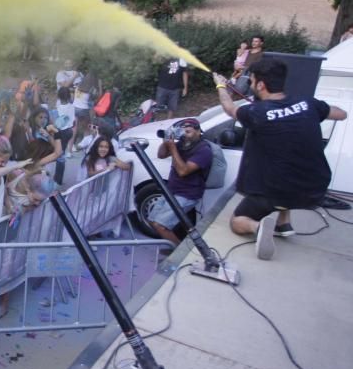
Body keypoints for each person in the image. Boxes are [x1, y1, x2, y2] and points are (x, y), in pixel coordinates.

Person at [213, 62, 347, 259]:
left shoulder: (257, 113)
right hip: (314, 188)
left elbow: (229, 108)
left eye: (251, 81)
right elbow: (341, 114)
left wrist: (221, 86)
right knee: (289, 168)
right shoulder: (307, 104)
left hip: (276, 192)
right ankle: (283, 224)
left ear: (260, 85)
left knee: (237, 221)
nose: (250, 85)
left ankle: (258, 228)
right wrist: (315, 111)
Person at [146, 118, 212, 245]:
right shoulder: (182, 143)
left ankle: (178, 252)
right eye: (183, 132)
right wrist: (165, 142)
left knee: (160, 225)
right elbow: (161, 155)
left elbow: (183, 171)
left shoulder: (204, 150)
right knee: (152, 219)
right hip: (172, 190)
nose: (185, 135)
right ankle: (173, 243)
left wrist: (173, 148)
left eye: (188, 132)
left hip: (187, 194)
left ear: (198, 132)